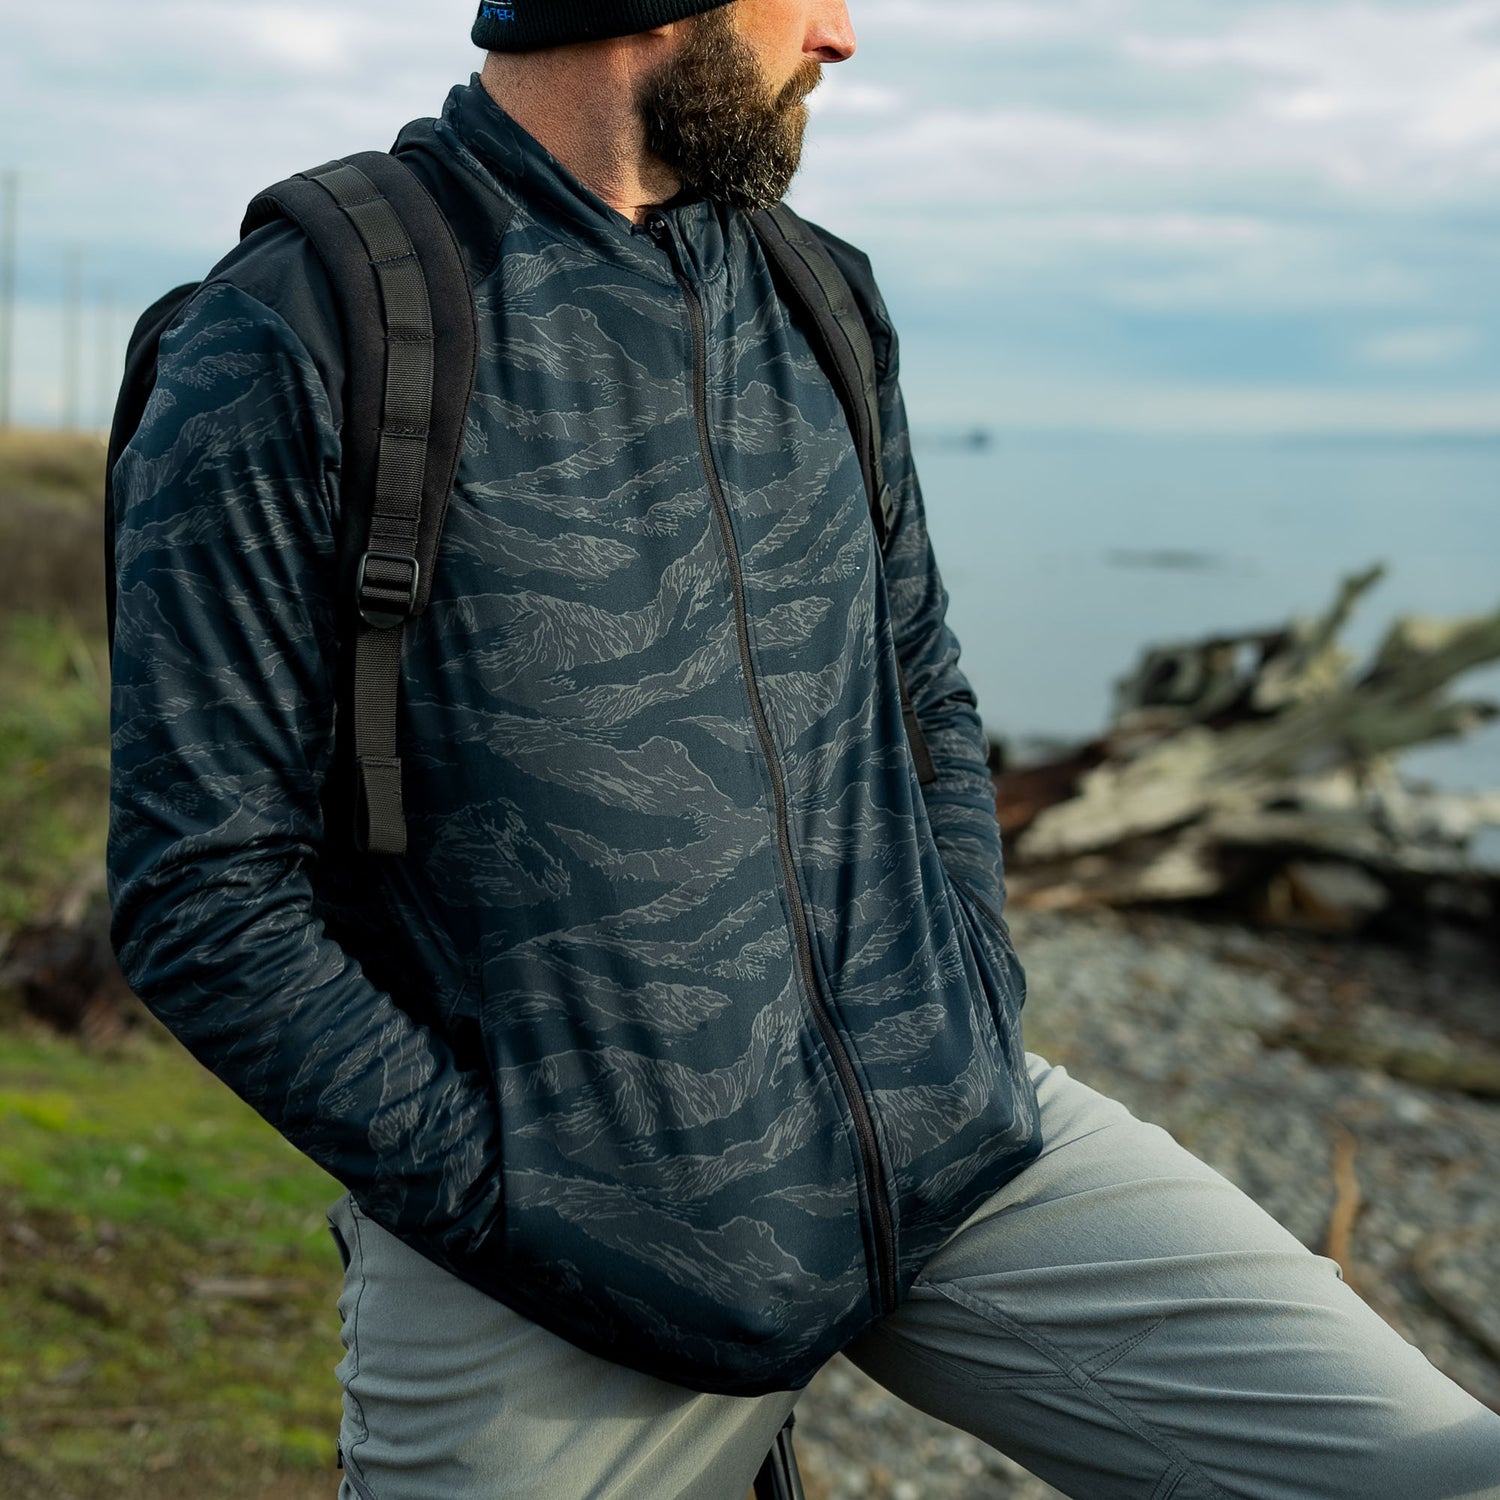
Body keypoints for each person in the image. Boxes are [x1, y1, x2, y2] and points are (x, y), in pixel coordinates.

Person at [106, 3, 1500, 1497]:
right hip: (561, 1260)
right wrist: (530, 1200)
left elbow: (927, 697)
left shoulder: (820, 297)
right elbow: (203, 896)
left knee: (1437, 1469)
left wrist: (961, 994)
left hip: (953, 1147)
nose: (841, 35)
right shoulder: (306, 324)